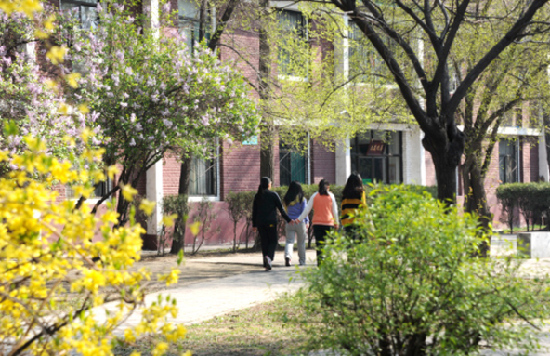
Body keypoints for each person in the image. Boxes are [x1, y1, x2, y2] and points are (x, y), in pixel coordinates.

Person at [294, 179, 338, 266]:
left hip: (317, 224)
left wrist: (299, 219)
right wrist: (336, 222)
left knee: (319, 244)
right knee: (329, 244)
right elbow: (335, 211)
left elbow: (307, 209)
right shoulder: (331, 196)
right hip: (329, 223)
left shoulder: (314, 196)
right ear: (328, 187)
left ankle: (320, 263)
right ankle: (329, 263)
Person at [252, 177, 292, 271]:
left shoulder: (258, 195)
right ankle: (269, 258)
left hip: (260, 223)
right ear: (269, 185)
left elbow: (254, 211)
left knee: (264, 242)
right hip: (271, 222)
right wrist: (289, 220)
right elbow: (281, 209)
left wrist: (254, 224)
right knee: (273, 241)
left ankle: (265, 262)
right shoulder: (273, 194)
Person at [283, 181, 309, 267]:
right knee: (301, 243)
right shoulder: (302, 199)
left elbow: (285, 211)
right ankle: (302, 261)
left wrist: (289, 219)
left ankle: (288, 257)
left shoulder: (286, 199)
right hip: (300, 222)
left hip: (289, 222)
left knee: (289, 241)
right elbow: (305, 212)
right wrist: (307, 221)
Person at [341, 173, 367, 243]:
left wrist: (343, 221)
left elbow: (343, 208)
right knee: (359, 244)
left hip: (348, 222)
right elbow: (364, 207)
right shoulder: (361, 193)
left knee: (350, 244)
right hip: (359, 222)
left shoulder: (345, 194)